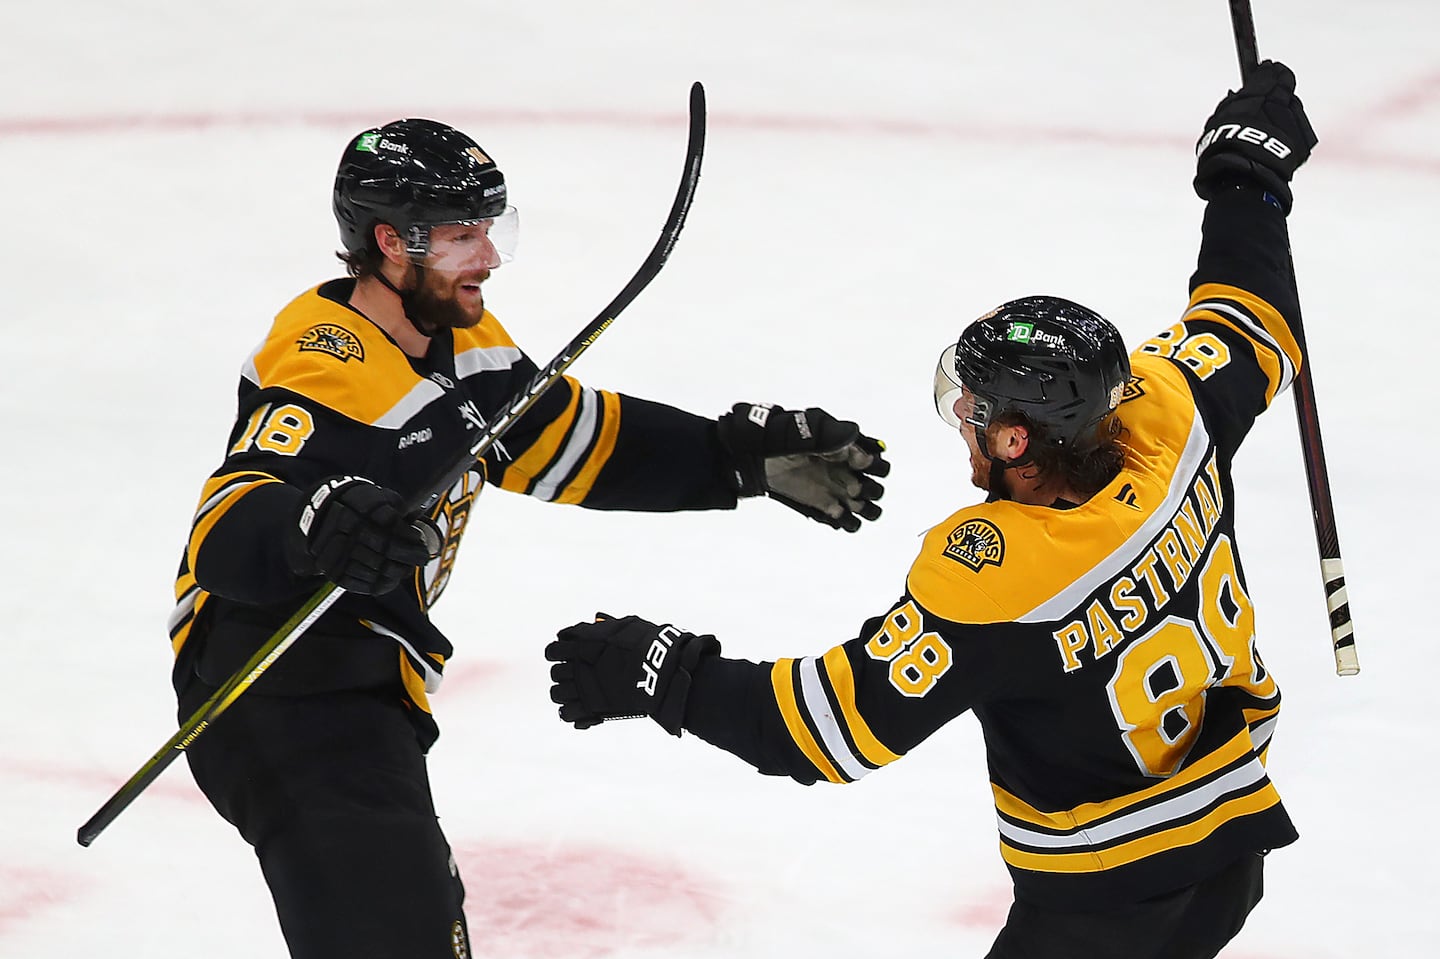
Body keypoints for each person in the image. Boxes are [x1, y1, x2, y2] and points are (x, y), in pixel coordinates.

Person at [545, 61, 1317, 958]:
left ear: (1019, 442)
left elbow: (820, 729)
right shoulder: (1173, 419)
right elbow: (1247, 312)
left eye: (978, 412)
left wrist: (662, 670)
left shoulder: (1001, 574)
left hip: (1105, 907)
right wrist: (1247, 178)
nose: (965, 422)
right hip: (1231, 851)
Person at [169, 117, 889, 959]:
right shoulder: (326, 360)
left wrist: (731, 460)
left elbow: (563, 437)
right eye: (462, 235)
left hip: (364, 689)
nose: (489, 256)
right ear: (390, 242)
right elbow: (228, 517)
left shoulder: (460, 337)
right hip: (275, 688)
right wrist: (313, 520)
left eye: (490, 229)